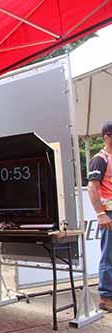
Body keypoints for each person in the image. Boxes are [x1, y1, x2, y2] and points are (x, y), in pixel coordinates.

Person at [88, 120, 112, 312]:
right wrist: (100, 214)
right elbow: (92, 188)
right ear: (107, 137)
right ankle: (105, 297)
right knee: (109, 256)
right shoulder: (100, 159)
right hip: (109, 213)